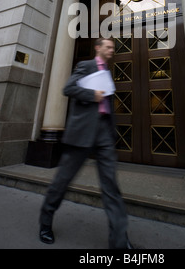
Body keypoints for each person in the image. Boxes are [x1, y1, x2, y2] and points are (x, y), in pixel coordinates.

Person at [39, 38, 133, 249]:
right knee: (62, 181)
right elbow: (68, 88)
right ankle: (45, 222)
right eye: (108, 46)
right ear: (98, 48)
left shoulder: (108, 72)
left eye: (113, 48)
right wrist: (93, 94)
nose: (111, 50)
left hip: (104, 135)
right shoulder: (86, 66)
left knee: (111, 187)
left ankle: (119, 241)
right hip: (81, 134)